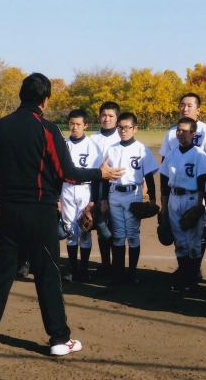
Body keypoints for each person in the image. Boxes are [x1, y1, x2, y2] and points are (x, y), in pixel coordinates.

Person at [0, 73, 124, 356]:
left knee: (0, 275)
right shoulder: (47, 129)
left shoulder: (0, 127)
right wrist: (99, 173)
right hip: (39, 211)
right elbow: (66, 172)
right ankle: (58, 338)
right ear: (44, 100)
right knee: (47, 276)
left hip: (8, 211)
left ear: (21, 95)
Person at [159, 93, 206, 278]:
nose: (185, 108)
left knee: (195, 235)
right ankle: (184, 271)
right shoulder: (171, 134)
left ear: (198, 110)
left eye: (190, 105)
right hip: (176, 193)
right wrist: (164, 205)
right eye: (182, 105)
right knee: (179, 238)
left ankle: (194, 271)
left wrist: (204, 203)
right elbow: (165, 170)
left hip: (198, 192)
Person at [101, 112, 159, 286]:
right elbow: (105, 176)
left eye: (127, 127)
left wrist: (152, 200)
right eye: (120, 127)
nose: (123, 131)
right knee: (118, 236)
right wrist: (104, 199)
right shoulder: (112, 149)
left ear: (135, 128)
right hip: (114, 194)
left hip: (133, 194)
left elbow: (149, 176)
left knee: (133, 235)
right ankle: (118, 274)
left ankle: (132, 274)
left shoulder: (142, 149)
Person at [159, 117, 206, 291]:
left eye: (184, 131)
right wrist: (164, 207)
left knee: (194, 243)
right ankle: (184, 276)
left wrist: (199, 205)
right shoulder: (172, 154)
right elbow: (164, 181)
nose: (180, 133)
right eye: (178, 130)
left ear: (193, 134)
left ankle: (192, 278)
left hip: (192, 198)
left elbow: (203, 181)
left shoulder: (199, 154)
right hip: (174, 198)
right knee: (180, 241)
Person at [60, 109, 102, 283]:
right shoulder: (63, 145)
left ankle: (84, 268)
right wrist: (57, 198)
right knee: (70, 230)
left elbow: (98, 176)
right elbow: (57, 173)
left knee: (85, 229)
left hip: (85, 190)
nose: (74, 127)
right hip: (67, 189)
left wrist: (92, 201)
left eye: (78, 124)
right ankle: (72, 268)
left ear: (85, 125)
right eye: (71, 123)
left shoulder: (92, 146)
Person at [88, 101, 122, 279]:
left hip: (117, 187)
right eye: (103, 115)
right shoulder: (93, 139)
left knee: (116, 228)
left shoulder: (121, 136)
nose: (106, 118)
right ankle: (105, 264)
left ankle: (118, 266)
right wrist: (96, 197)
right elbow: (94, 170)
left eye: (110, 115)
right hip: (99, 185)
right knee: (101, 226)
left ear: (117, 118)